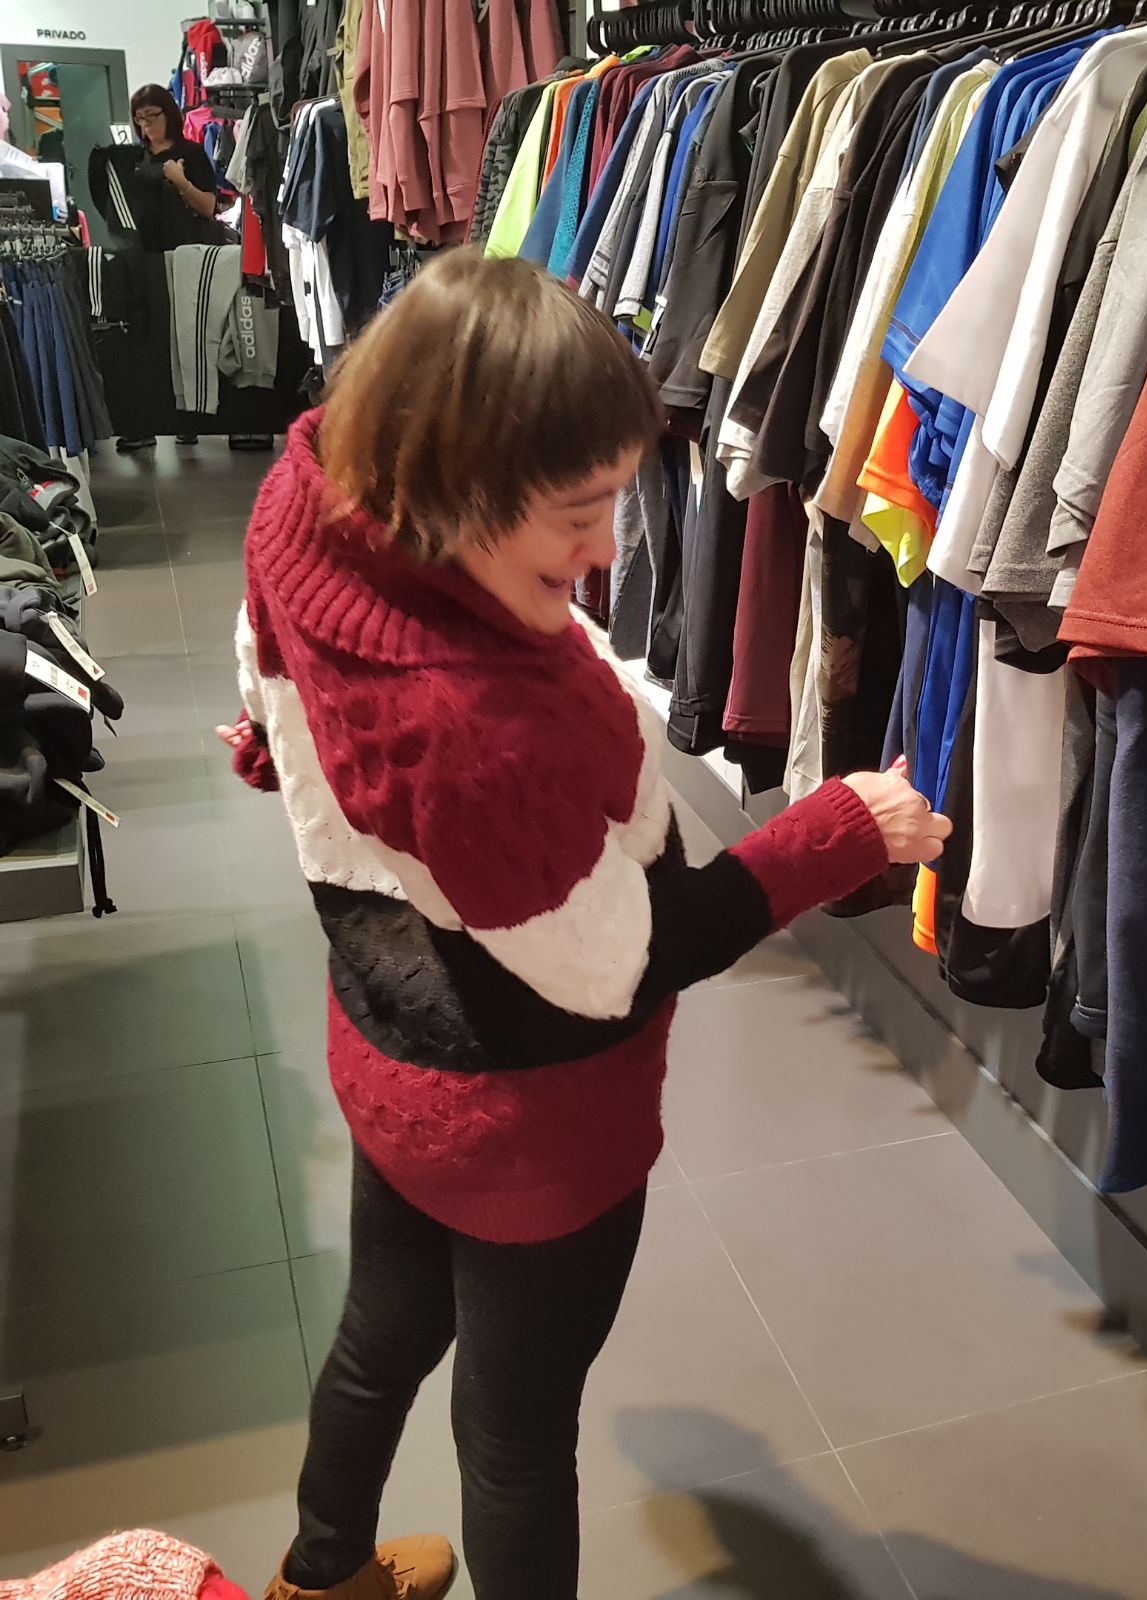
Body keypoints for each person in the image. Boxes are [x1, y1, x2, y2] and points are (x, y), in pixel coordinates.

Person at [218, 249, 950, 1600]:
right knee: (512, 1440)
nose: (610, 549)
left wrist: (284, 757)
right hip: (529, 1124)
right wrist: (842, 828)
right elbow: (619, 960)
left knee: (380, 1337)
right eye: (576, 514)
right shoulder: (484, 731)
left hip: (389, 1056)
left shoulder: (307, 511)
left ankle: (320, 1577)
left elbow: (270, 697)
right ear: (456, 491)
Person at [116, 84, 226, 453]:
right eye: (139, 118)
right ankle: (150, 422)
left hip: (186, 257)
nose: (146, 125)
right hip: (144, 258)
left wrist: (180, 182)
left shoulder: (190, 153)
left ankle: (189, 420)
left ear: (169, 114)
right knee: (151, 341)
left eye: (152, 115)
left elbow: (209, 206)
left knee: (188, 338)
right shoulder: (134, 158)